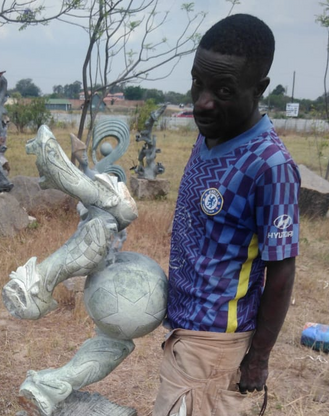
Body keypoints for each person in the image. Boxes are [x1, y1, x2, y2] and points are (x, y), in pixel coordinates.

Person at [153, 14, 300, 416]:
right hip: (184, 333)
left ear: (259, 89)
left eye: (222, 90)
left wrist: (258, 359)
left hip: (217, 344)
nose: (202, 101)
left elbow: (282, 270)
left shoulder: (270, 166)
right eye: (197, 82)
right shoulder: (211, 133)